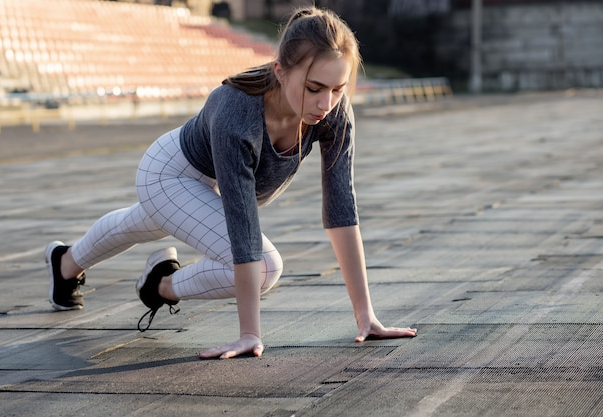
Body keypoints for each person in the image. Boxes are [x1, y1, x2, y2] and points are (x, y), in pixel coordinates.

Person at [44, 6, 417, 360]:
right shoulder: (238, 111)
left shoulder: (335, 114)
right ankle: (157, 284)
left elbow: (341, 210)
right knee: (266, 268)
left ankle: (69, 264)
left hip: (204, 183)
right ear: (280, 71)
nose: (326, 103)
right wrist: (250, 333)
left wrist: (366, 317)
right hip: (168, 173)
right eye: (315, 88)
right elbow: (243, 226)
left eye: (338, 89)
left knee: (140, 223)